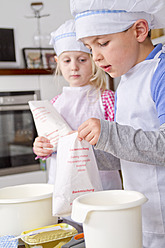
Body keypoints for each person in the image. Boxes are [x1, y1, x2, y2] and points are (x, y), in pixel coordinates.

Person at [69, 0, 165, 247]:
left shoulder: (160, 73)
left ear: (140, 31)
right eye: (89, 47)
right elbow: (130, 152)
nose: (96, 57)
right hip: (141, 213)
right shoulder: (127, 79)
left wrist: (109, 134)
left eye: (102, 43)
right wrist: (88, 147)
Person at [33, 19, 122, 190]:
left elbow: (118, 142)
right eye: (67, 61)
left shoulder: (107, 99)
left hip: (101, 184)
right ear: (57, 62)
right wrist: (42, 147)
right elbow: (50, 143)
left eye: (82, 60)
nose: (74, 67)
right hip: (64, 184)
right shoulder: (54, 104)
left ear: (94, 60)